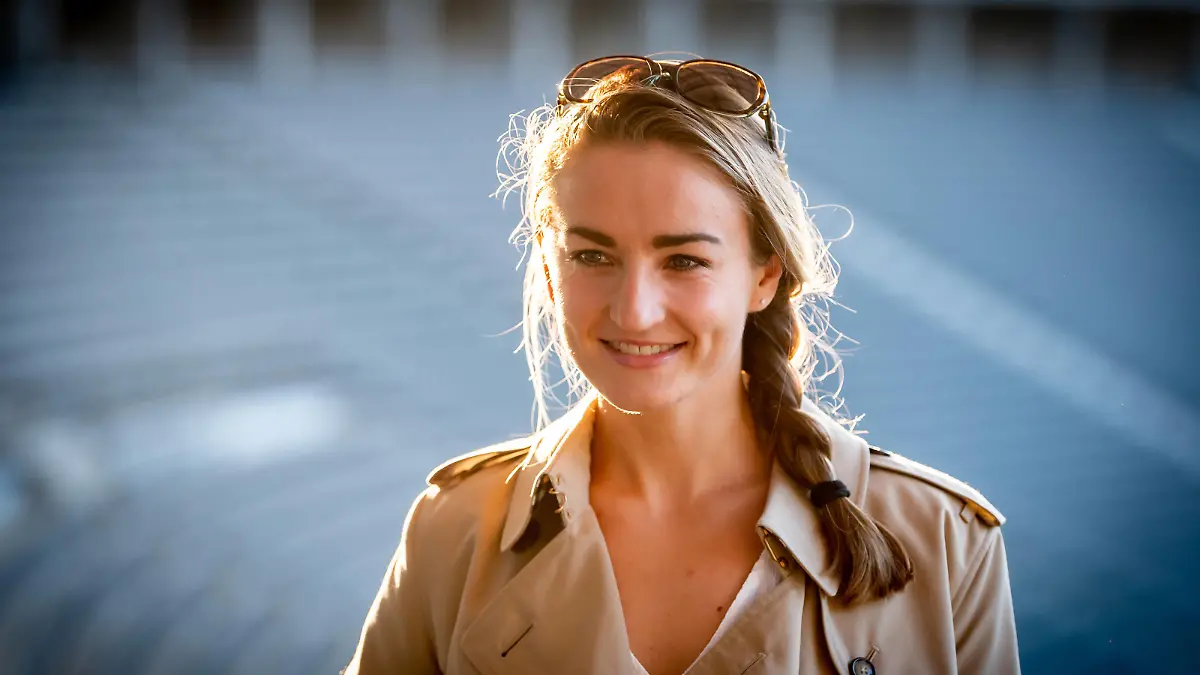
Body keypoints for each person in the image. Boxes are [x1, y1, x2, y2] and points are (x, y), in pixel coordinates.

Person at [343, 55, 1020, 675]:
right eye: (592, 255)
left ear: (764, 277)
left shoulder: (942, 540)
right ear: (548, 270)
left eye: (685, 260)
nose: (634, 311)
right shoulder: (454, 531)